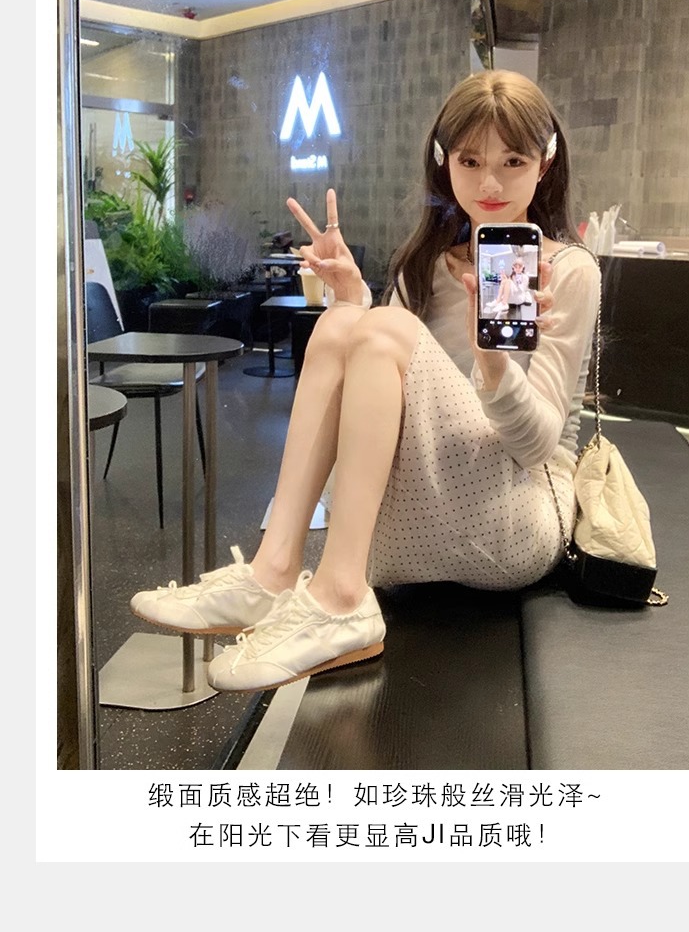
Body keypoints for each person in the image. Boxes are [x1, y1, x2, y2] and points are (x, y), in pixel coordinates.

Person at [130, 69, 601, 693]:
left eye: (513, 161)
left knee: (378, 328)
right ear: (445, 163)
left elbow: (536, 448)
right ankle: (274, 571)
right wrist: (350, 299)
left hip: (515, 523)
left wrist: (492, 363)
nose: (490, 183)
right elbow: (385, 393)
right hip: (410, 525)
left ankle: (341, 597)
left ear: (545, 163)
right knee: (341, 325)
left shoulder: (568, 271)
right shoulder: (423, 264)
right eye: (470, 160)